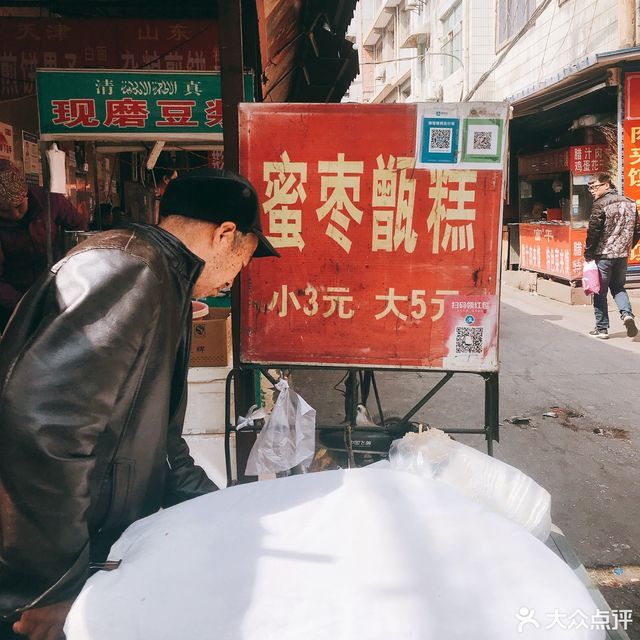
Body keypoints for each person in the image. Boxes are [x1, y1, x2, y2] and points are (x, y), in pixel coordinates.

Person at [0, 168, 279, 640]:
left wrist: (228, 518)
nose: (237, 276)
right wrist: (49, 589)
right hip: (43, 584)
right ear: (225, 234)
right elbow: (45, 430)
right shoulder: (130, 269)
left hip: (94, 547)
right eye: (244, 259)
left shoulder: (164, 279)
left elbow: (166, 448)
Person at [0, 160, 89, 331]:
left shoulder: (49, 200)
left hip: (56, 286)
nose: (15, 214)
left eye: (19, 206)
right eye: (4, 211)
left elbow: (79, 226)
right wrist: (24, 305)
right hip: (14, 300)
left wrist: (71, 265)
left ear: (25, 194)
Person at [584, 173, 640, 339]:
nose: (592, 191)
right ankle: (627, 314)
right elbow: (637, 230)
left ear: (606, 184)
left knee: (600, 291)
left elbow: (593, 232)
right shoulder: (630, 202)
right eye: (590, 188)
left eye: (595, 187)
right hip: (622, 255)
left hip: (604, 255)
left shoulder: (600, 204)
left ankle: (602, 328)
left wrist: (588, 253)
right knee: (618, 287)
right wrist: (628, 246)